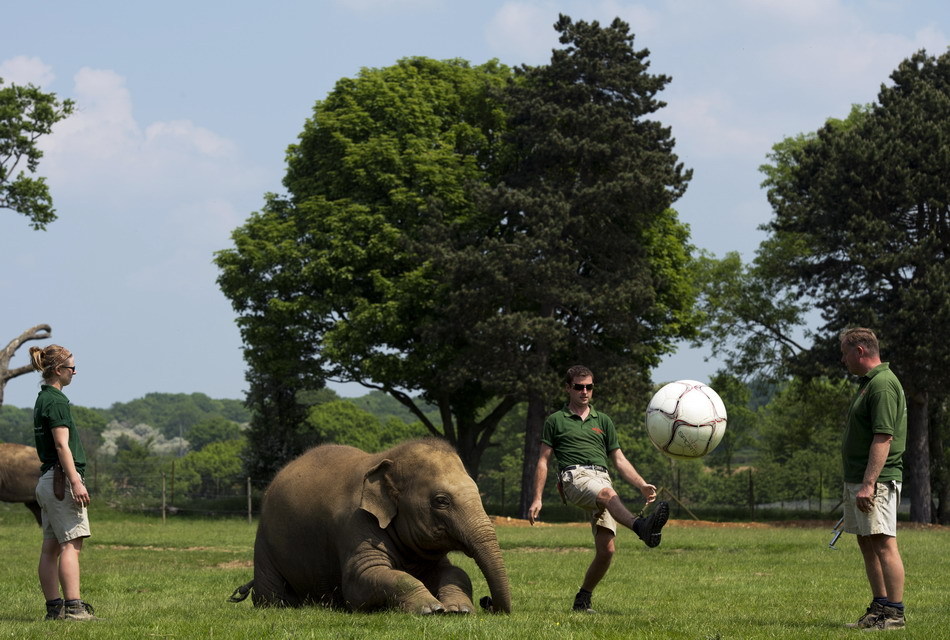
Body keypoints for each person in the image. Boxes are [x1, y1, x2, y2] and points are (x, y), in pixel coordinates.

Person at [528, 365, 669, 613]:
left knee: (607, 551)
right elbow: (543, 460)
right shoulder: (555, 420)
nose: (584, 392)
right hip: (575, 477)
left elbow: (619, 460)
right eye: (579, 387)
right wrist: (537, 497)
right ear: (568, 388)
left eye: (589, 387)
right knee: (607, 495)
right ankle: (640, 526)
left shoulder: (603, 420)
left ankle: (582, 600)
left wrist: (641, 484)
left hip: (602, 478)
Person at [839, 328, 907, 630]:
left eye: (844, 353)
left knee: (883, 543)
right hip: (859, 478)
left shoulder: (882, 385)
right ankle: (879, 607)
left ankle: (895, 614)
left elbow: (884, 436)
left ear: (860, 351)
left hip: (876, 480)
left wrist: (869, 484)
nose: (843, 360)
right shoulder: (869, 384)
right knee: (867, 543)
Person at [29, 344, 96, 622]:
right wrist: (75, 481)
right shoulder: (56, 401)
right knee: (72, 544)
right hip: (60, 480)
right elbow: (61, 444)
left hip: (47, 480)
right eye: (71, 368)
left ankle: (54, 609)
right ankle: (75, 608)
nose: (75, 372)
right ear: (58, 370)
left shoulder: (42, 398)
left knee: (51, 548)